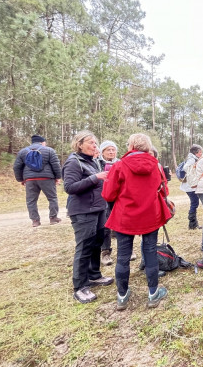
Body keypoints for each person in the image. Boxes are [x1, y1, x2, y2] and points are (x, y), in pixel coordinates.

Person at [102, 133, 169, 310]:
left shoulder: (119, 166)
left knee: (123, 257)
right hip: (150, 215)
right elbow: (162, 190)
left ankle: (122, 296)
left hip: (126, 216)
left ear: (130, 146)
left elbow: (108, 194)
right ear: (148, 146)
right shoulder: (156, 166)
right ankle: (153, 293)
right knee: (150, 252)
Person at [62, 131, 113, 304]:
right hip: (83, 211)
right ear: (79, 144)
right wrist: (94, 178)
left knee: (96, 243)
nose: (94, 145)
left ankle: (94, 275)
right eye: (91, 142)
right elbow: (69, 187)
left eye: (95, 143)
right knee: (84, 247)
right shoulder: (73, 162)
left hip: (98, 209)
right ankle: (80, 287)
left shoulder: (92, 161)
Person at [13, 134, 62, 227]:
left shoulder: (23, 152)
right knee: (52, 198)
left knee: (31, 201)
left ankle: (35, 221)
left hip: (30, 179)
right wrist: (57, 177)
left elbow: (16, 167)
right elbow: (56, 165)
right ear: (42, 142)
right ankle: (53, 218)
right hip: (46, 178)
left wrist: (21, 179)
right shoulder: (49, 150)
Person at [97, 140, 124, 266]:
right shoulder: (96, 163)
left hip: (118, 197)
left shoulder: (120, 163)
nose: (111, 152)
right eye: (108, 150)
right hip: (103, 197)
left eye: (113, 149)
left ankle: (124, 250)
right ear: (102, 151)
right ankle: (105, 252)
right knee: (105, 224)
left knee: (121, 222)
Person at [180, 145, 202, 230]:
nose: (201, 153)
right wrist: (193, 171)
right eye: (200, 152)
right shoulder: (192, 160)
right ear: (195, 152)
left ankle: (193, 224)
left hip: (190, 185)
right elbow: (185, 168)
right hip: (190, 186)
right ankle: (192, 224)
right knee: (194, 203)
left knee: (194, 203)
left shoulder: (192, 158)